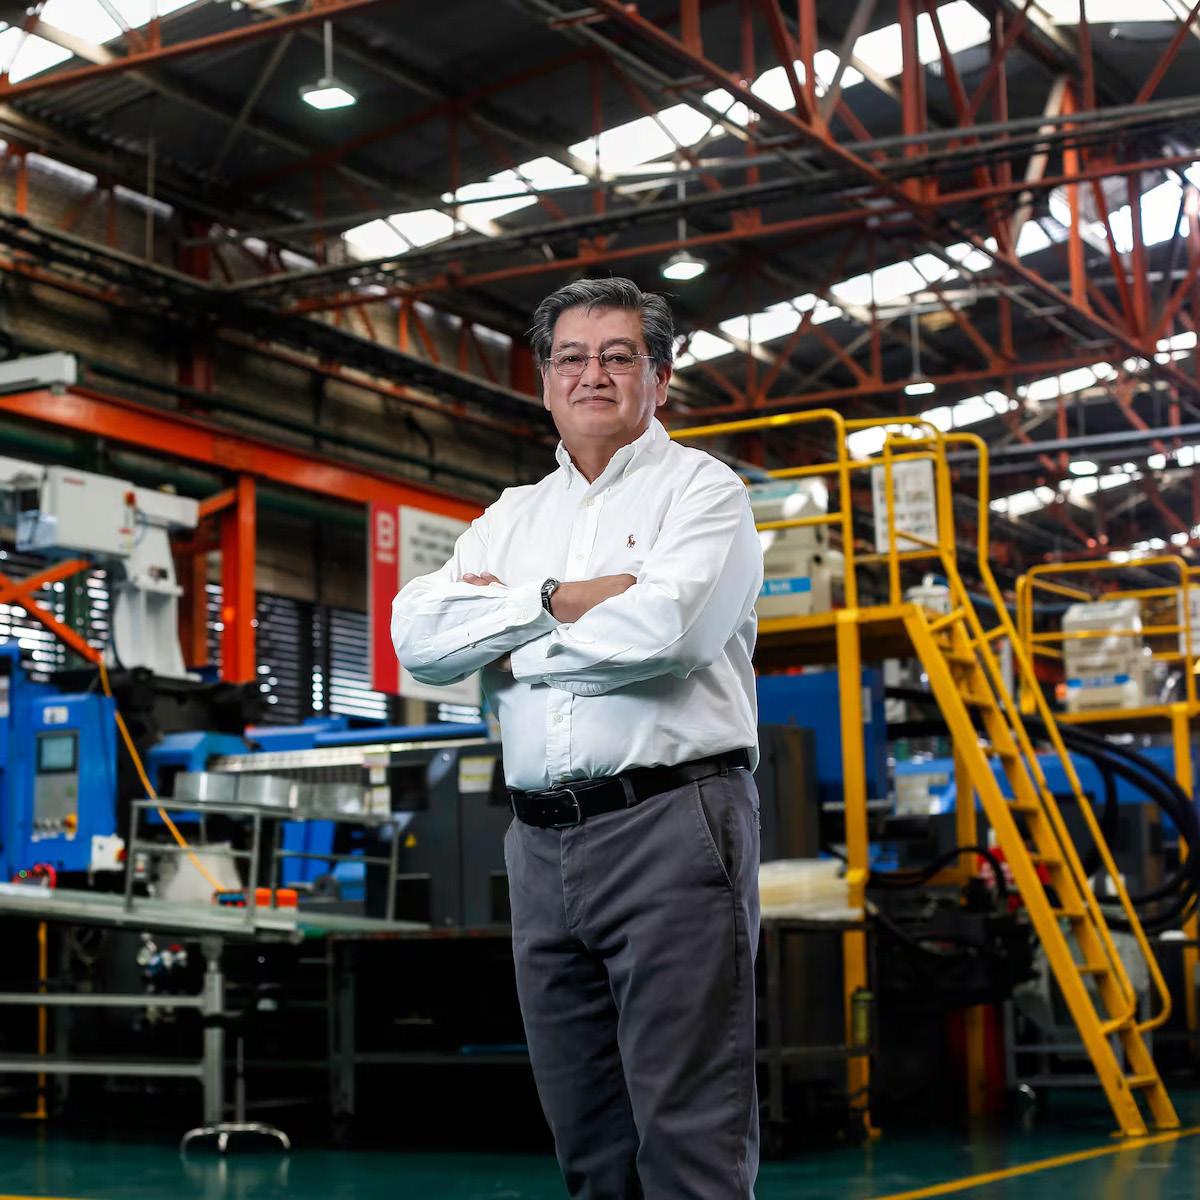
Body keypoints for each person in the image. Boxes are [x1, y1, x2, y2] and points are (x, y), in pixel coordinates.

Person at [391, 276, 763, 1199]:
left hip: (673, 824)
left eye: (617, 356)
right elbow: (418, 640)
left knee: (689, 1138)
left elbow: (669, 635)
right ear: (546, 380)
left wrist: (510, 642)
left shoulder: (703, 493)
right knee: (587, 1140)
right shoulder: (513, 517)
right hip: (540, 844)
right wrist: (556, 599)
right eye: (571, 357)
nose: (592, 374)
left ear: (659, 378)